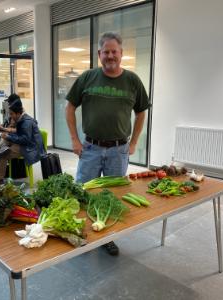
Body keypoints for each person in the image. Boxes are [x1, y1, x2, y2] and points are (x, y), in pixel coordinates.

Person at [65, 32, 151, 256]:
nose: (110, 56)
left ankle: (107, 238)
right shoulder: (87, 77)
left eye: (115, 51)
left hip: (118, 150)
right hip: (91, 148)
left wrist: (134, 142)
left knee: (113, 196)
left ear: (121, 54)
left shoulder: (132, 80)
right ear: (99, 54)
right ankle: (81, 232)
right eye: (106, 52)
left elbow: (142, 112)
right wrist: (74, 139)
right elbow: (69, 107)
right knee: (83, 193)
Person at [0, 100, 45, 185]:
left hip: (30, 148)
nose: (10, 116)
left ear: (18, 113)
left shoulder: (26, 122)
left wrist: (9, 137)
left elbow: (25, 140)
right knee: (4, 144)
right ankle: (3, 151)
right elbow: (20, 135)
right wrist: (9, 136)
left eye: (12, 114)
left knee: (2, 155)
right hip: (27, 145)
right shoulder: (22, 119)